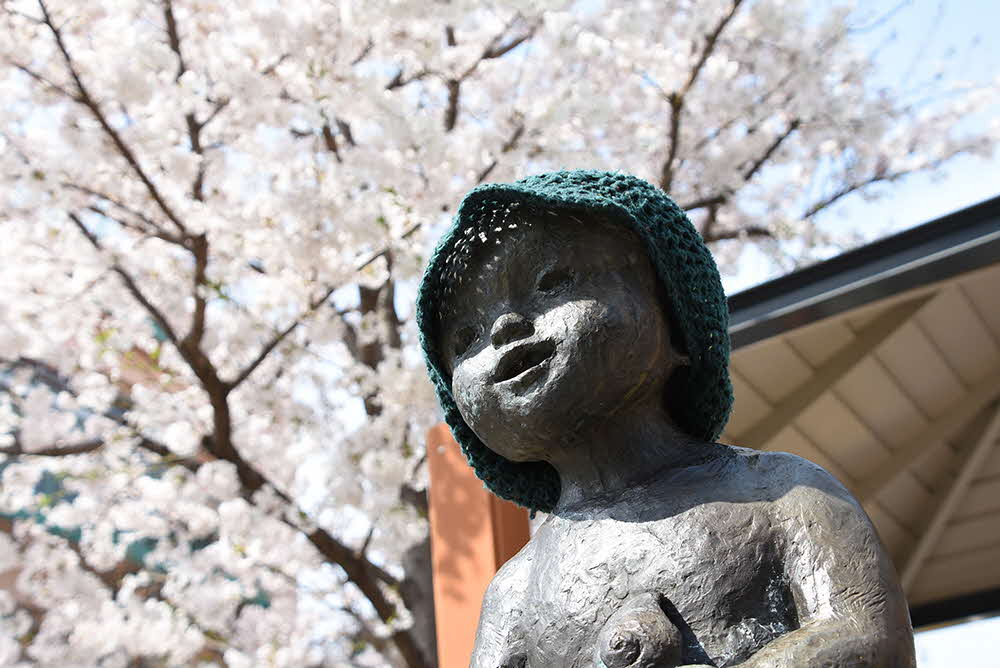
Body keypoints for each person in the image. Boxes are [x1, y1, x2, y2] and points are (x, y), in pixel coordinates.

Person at [416, 171, 915, 667]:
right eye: (465, 339)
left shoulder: (783, 492)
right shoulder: (515, 592)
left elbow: (864, 635)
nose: (504, 329)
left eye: (553, 283)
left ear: (676, 321)